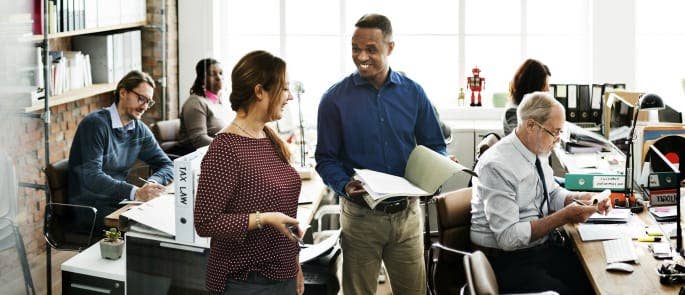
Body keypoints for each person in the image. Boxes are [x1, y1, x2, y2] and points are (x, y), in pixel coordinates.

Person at [315, 14, 446, 295]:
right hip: (360, 217)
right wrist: (344, 184)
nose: (361, 56)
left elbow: (435, 145)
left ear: (390, 47)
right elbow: (325, 158)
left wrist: (437, 169)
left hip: (407, 217)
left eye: (371, 49)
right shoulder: (334, 99)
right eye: (355, 48)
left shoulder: (413, 93)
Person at [470, 91, 611, 294]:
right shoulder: (497, 165)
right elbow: (508, 238)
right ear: (531, 125)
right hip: (504, 260)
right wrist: (564, 216)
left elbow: (551, 193)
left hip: (536, 249)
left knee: (595, 278)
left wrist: (582, 198)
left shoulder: (537, 149)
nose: (559, 140)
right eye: (555, 132)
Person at [194, 50, 304, 295]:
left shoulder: (267, 136)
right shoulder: (225, 149)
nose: (289, 97)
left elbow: (284, 212)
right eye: (283, 89)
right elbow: (205, 223)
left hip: (281, 272)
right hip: (246, 282)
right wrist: (264, 218)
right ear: (259, 91)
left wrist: (294, 263)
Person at [68, 70, 173, 233]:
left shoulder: (138, 129)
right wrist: (135, 192)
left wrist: (151, 184)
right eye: (141, 98)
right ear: (123, 92)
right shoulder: (95, 125)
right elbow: (91, 176)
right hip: (89, 207)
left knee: (166, 219)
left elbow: (166, 164)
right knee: (151, 230)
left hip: (117, 202)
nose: (145, 106)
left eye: (149, 102)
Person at [178, 58, 234, 151]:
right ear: (202, 78)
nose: (218, 77)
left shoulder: (218, 102)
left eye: (221, 73)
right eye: (213, 74)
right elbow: (199, 140)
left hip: (220, 153)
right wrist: (231, 147)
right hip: (199, 158)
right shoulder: (196, 102)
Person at [503, 58, 551, 135]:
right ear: (534, 86)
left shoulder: (527, 106)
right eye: (545, 84)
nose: (547, 89)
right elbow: (527, 140)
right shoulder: (512, 111)